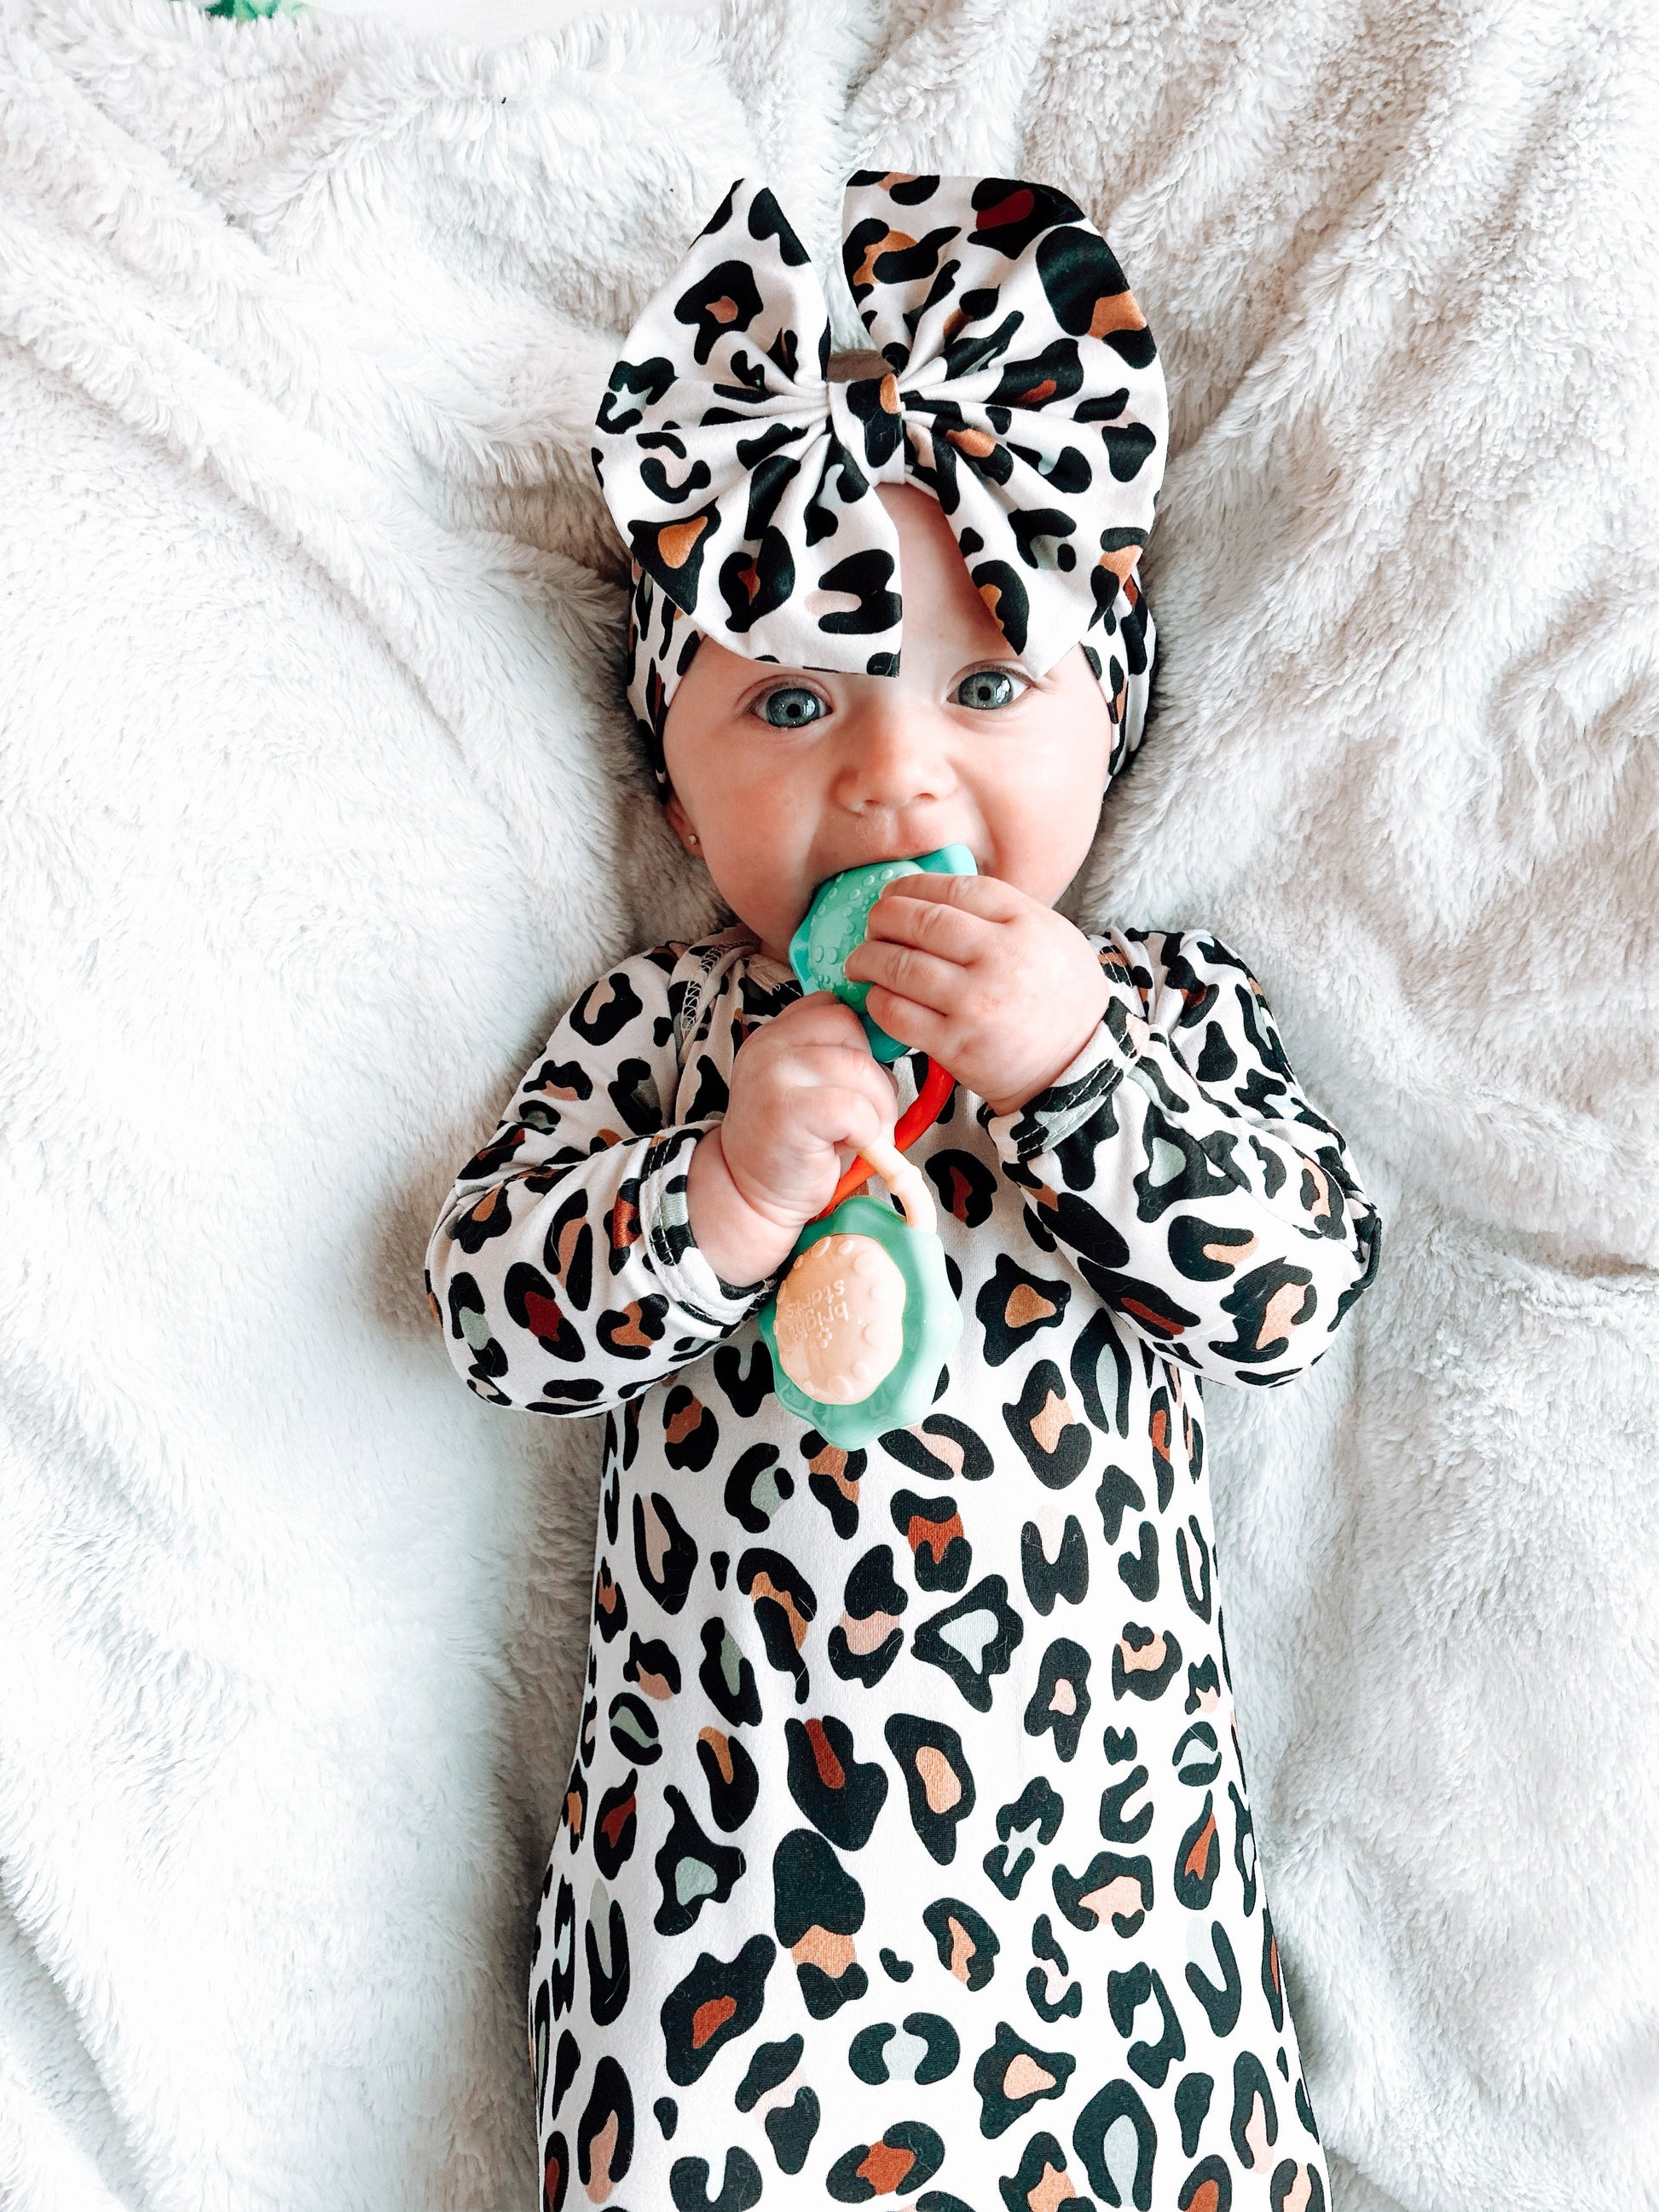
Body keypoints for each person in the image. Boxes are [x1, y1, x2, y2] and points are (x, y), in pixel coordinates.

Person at [425, 170, 1381, 2212]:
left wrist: (1075, 1073)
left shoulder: (1156, 1007)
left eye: (987, 685)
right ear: (670, 779)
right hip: (725, 1889)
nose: (890, 771)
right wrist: (719, 1186)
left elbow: (1292, 1285)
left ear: (1112, 716)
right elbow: (497, 1313)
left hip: (1106, 1890)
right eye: (790, 701)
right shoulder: (662, 1034)